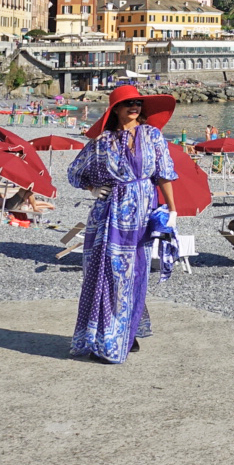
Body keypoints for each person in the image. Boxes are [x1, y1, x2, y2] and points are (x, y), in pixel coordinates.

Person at [67, 85, 179, 365]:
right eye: (128, 103)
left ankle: (128, 331)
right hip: (107, 215)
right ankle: (105, 338)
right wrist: (93, 188)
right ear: (115, 109)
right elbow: (74, 171)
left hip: (140, 214)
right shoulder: (101, 141)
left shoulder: (152, 135)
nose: (134, 107)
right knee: (107, 274)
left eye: (138, 103)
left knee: (134, 273)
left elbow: (164, 174)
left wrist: (173, 211)